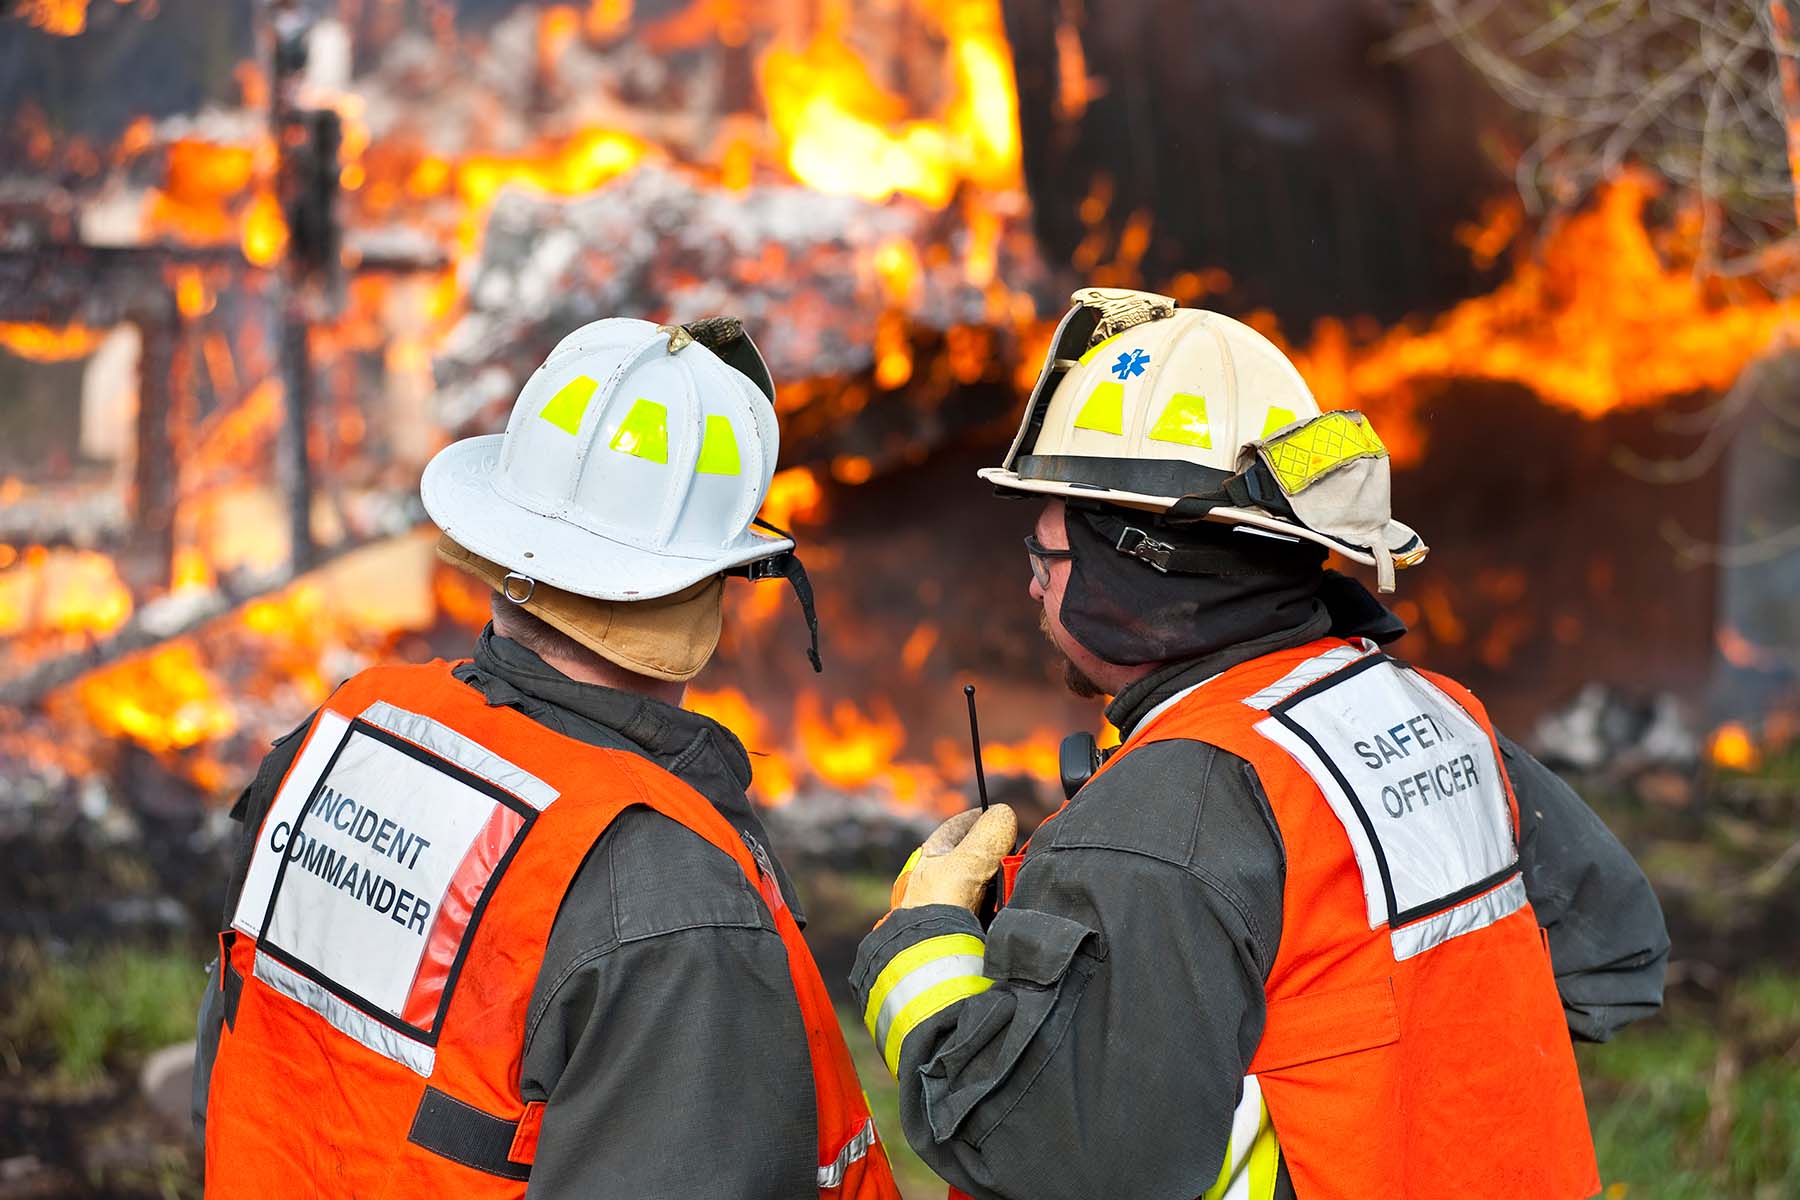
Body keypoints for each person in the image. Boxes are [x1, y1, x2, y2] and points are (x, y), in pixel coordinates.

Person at [853, 289, 1668, 1200]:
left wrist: (923, 945)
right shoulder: (1437, 714)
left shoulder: (1163, 819)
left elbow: (1046, 1161)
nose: (1034, 588)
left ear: (1134, 567)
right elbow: (1609, 962)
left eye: (1048, 555)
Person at [195, 316, 898, 1198]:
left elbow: (236, 1056)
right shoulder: (670, 898)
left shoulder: (343, 736)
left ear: (500, 535)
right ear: (712, 582)